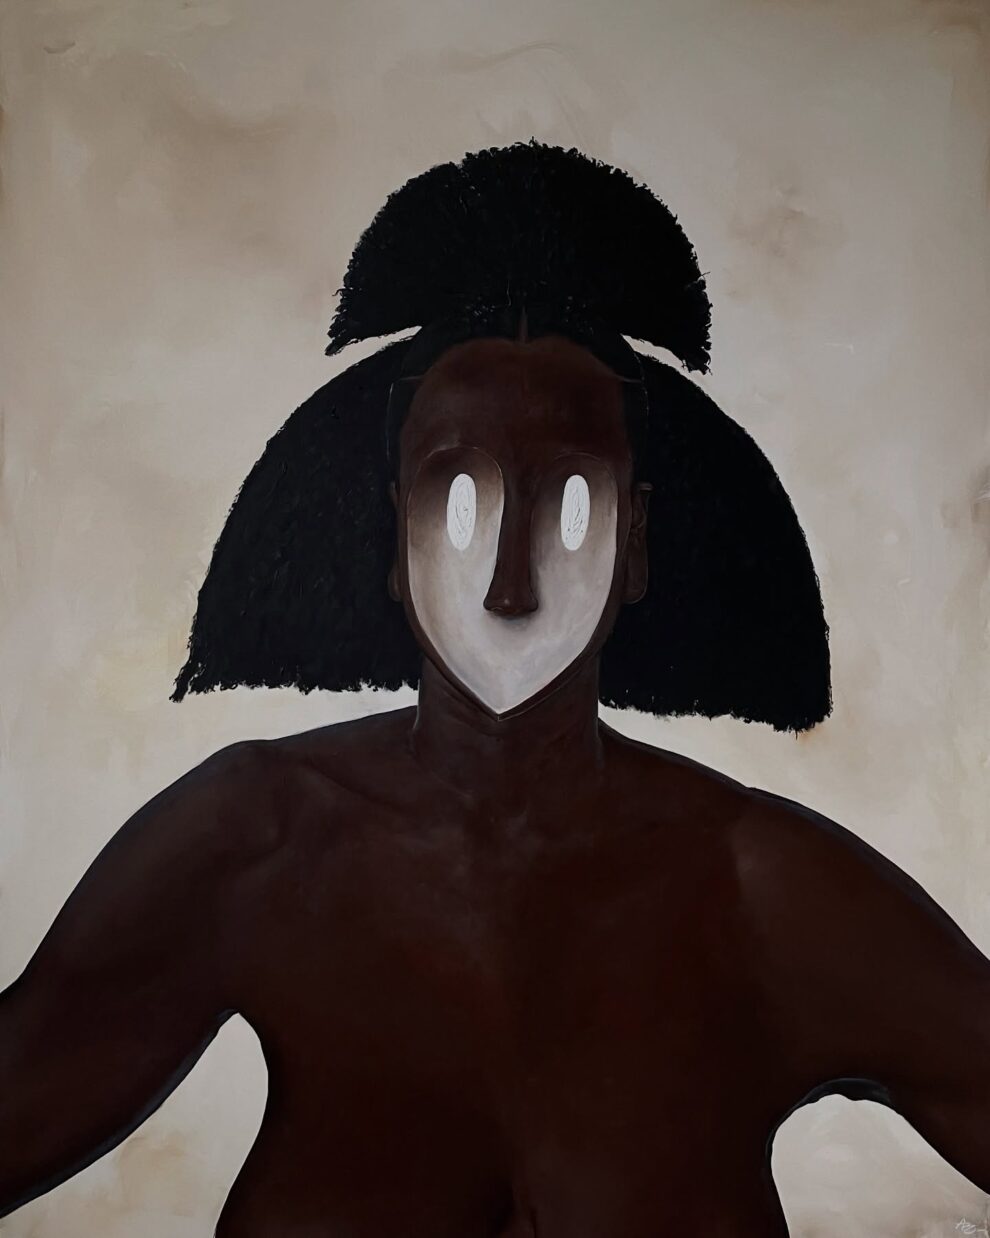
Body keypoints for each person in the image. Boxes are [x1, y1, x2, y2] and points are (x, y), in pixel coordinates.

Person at [1, 142, 987, 1237]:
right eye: (460, 501)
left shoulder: (760, 891)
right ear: (395, 537)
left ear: (636, 543)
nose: (512, 581)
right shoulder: (257, 843)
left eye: (570, 504)